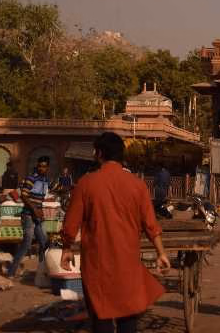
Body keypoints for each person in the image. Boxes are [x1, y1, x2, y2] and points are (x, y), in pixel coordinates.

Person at [60, 133, 170, 333]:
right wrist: (161, 253)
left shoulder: (86, 183)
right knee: (128, 318)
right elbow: (150, 224)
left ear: (99, 153)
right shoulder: (138, 185)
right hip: (127, 263)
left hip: (96, 265)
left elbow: (71, 224)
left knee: (101, 319)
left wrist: (66, 248)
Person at [8, 157, 51, 278]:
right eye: (40, 166)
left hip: (38, 216)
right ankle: (11, 272)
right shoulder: (31, 178)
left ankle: (42, 271)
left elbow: (41, 197)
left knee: (45, 243)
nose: (41, 168)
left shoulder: (46, 180)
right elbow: (24, 196)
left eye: (44, 166)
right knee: (26, 244)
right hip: (28, 215)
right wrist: (35, 210)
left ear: (47, 168)